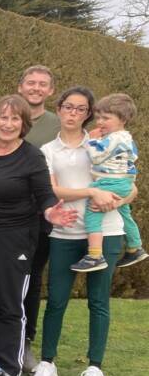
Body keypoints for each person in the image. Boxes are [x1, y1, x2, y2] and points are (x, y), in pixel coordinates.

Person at [32, 86, 132, 376]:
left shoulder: (108, 142)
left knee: (99, 301)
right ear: (59, 109)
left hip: (107, 231)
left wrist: (115, 200)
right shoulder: (48, 150)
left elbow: (130, 186)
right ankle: (48, 362)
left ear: (88, 114)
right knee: (57, 300)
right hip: (65, 233)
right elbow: (53, 190)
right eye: (68, 107)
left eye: (80, 109)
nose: (73, 114)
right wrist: (91, 192)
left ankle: (95, 368)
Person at [0, 95, 76, 376]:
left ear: (24, 124)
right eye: (3, 118)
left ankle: (8, 372)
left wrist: (50, 211)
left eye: (14, 119)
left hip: (15, 239)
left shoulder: (32, 155)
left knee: (9, 306)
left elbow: (45, 194)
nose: (7, 124)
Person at [70, 93, 145, 271]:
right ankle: (135, 247)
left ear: (123, 119)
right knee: (124, 213)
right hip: (124, 183)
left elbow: (96, 157)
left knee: (92, 214)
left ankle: (95, 255)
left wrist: (91, 140)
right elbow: (133, 156)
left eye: (106, 118)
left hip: (110, 182)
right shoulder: (126, 137)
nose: (100, 122)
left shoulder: (114, 138)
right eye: (98, 117)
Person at [16, 65, 60, 371]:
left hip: (40, 216)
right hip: (5, 215)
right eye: (31, 83)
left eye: (42, 84)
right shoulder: (9, 117)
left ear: (50, 91)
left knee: (31, 282)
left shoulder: (58, 125)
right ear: (20, 87)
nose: (36, 87)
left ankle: (25, 342)